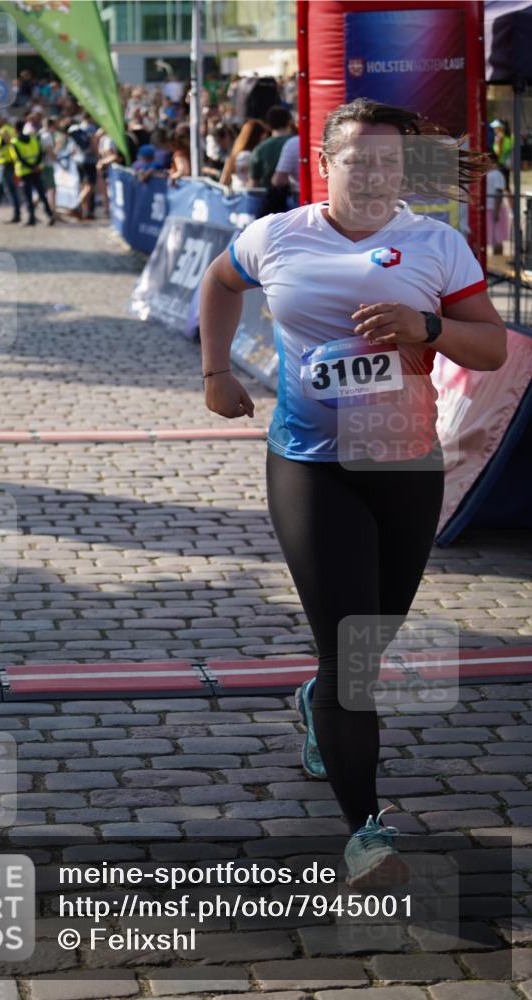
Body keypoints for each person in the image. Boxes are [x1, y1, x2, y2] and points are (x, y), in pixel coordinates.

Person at [199, 97, 506, 889]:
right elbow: (217, 282)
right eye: (356, 158)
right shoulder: (277, 235)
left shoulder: (435, 244)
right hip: (310, 462)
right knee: (352, 659)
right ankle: (366, 831)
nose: (372, 172)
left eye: (388, 160)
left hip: (403, 464)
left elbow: (493, 345)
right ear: (323, 163)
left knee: (369, 643)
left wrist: (426, 329)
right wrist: (215, 371)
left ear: (405, 170)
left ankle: (315, 701)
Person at [247, 105, 295, 213]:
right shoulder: (298, 144)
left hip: (268, 206)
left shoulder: (259, 149)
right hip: (296, 204)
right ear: (289, 122)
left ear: (268, 126)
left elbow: (252, 186)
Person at [10, 118, 54, 226]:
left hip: (24, 172)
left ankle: (31, 218)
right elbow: (40, 153)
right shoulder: (34, 139)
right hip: (36, 170)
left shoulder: (14, 142)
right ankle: (49, 215)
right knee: (41, 194)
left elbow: (19, 158)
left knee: (28, 196)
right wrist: (35, 166)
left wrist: (30, 166)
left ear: (15, 129)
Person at [220, 118, 270, 190]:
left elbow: (224, 181)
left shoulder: (238, 154)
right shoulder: (247, 156)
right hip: (245, 196)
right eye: (263, 138)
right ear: (257, 137)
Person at [485, 153, 511, 256]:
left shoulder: (496, 174)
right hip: (490, 208)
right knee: (493, 237)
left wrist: (496, 211)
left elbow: (499, 192)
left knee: (498, 238)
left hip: (495, 209)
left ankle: (498, 257)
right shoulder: (489, 174)